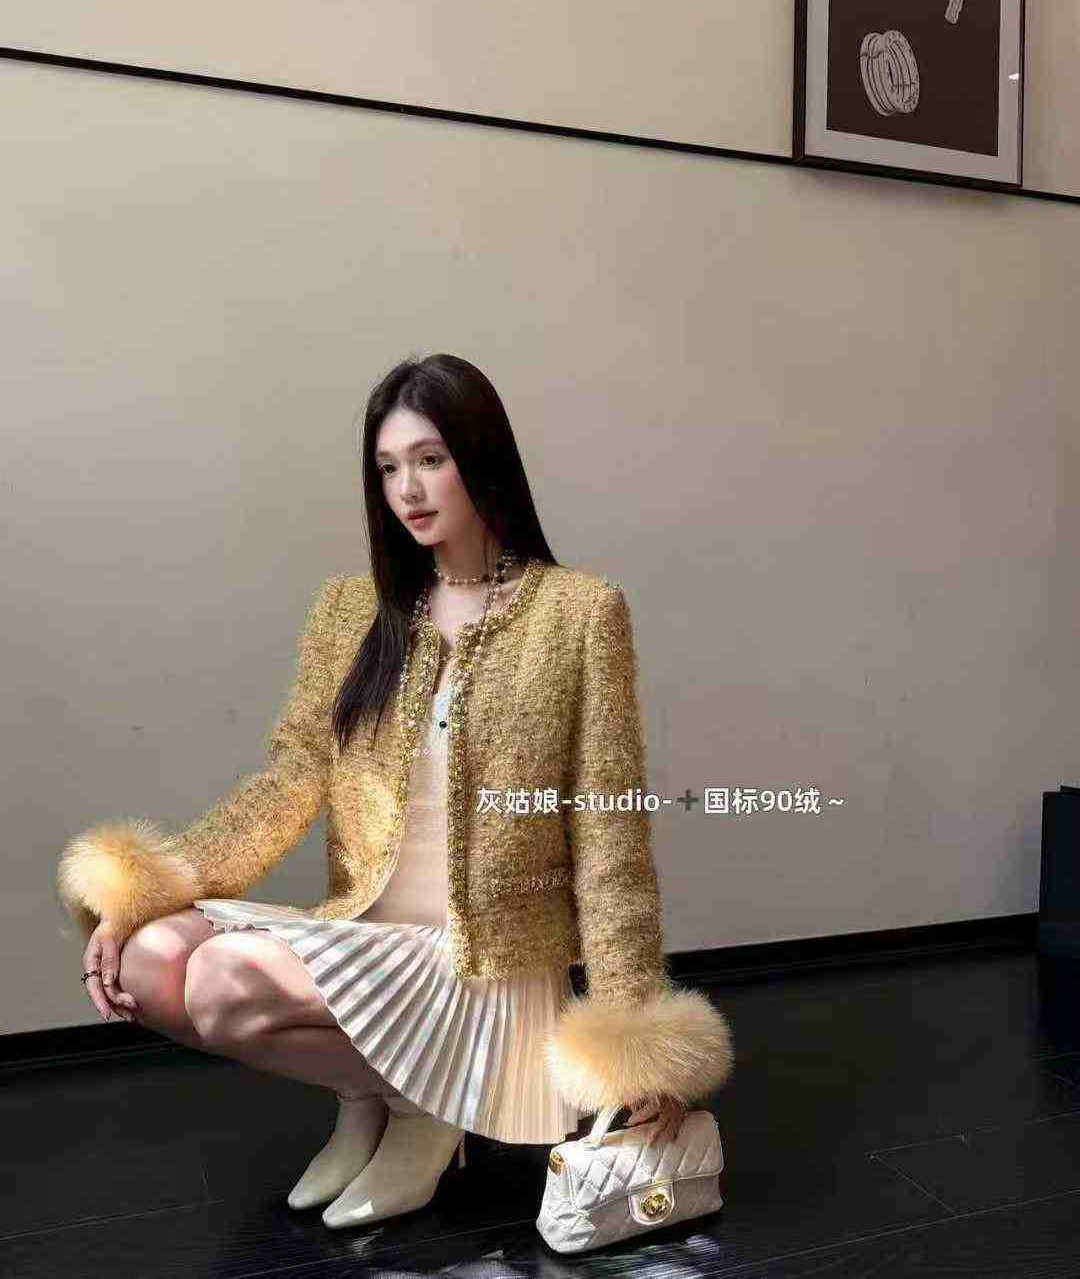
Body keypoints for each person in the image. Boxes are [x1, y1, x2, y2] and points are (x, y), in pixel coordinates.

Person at [56, 352, 734, 1230]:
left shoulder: (578, 613)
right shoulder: (352, 610)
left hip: (481, 960)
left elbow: (608, 835)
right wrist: (141, 892)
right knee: (149, 959)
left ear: (481, 458)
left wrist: (630, 1026)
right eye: (387, 469)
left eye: (430, 459)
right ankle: (381, 1095)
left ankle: (427, 1110)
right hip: (370, 935)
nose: (408, 489)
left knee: (223, 978)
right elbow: (290, 780)